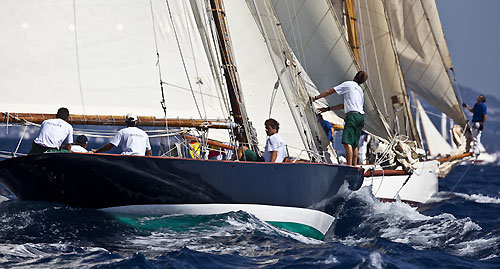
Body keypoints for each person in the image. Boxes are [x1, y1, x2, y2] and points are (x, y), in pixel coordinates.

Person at [310, 71, 368, 166]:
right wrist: (327, 109)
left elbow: (331, 91)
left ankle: (349, 166)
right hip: (360, 116)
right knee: (354, 144)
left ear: (355, 76)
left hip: (352, 116)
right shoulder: (360, 90)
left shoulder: (349, 84)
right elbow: (344, 105)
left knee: (347, 142)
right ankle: (354, 166)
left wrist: (315, 98)